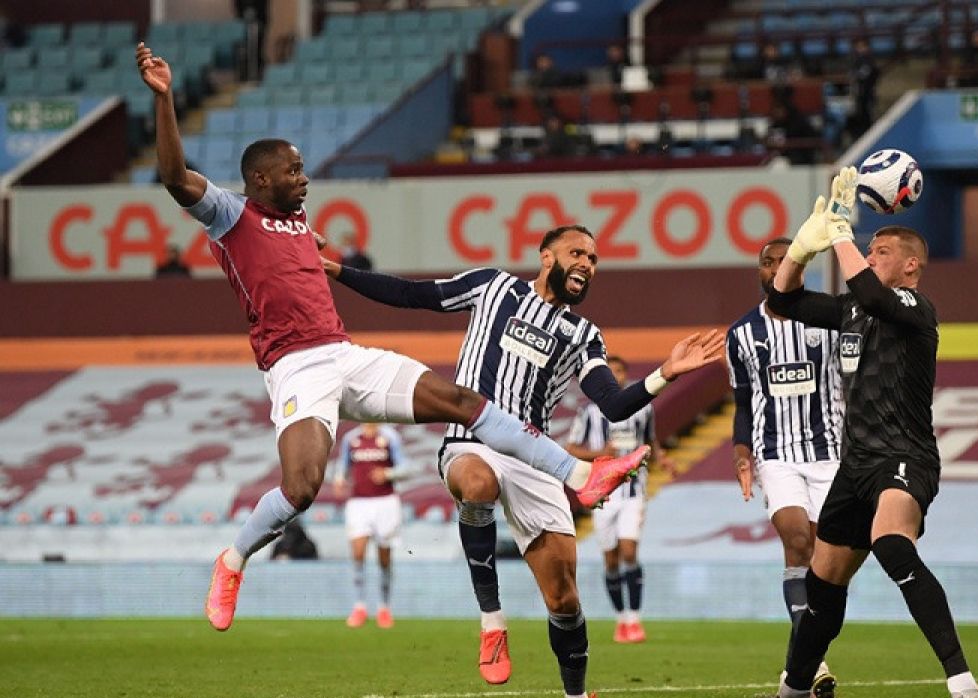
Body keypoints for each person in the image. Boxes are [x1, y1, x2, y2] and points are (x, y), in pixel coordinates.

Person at [136, 42, 649, 633]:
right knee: (301, 489)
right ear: (260, 179)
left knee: (463, 401)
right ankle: (232, 560)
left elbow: (296, 246)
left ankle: (583, 474)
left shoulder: (296, 219)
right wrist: (167, 99)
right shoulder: (231, 214)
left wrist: (313, 248)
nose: (305, 179)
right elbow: (175, 178)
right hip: (296, 367)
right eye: (294, 171)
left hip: (344, 353)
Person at [323, 225, 725, 698]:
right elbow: (411, 294)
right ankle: (492, 621)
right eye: (577, 252)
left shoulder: (583, 334)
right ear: (545, 256)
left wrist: (667, 371)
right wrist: (338, 271)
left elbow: (616, 405)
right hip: (472, 439)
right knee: (476, 485)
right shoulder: (494, 287)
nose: (587, 263)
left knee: (564, 597)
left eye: (595, 259)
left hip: (534, 457)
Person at [735, 169, 978, 698]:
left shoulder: (914, 308)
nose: (870, 258)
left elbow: (872, 292)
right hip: (855, 465)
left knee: (892, 543)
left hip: (906, 456)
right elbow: (779, 298)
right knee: (823, 586)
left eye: (882, 251)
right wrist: (802, 247)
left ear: (910, 266)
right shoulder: (852, 310)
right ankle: (795, 693)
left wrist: (842, 234)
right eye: (868, 250)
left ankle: (964, 688)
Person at [726, 237, 843, 698]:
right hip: (775, 454)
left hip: (831, 454)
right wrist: (741, 456)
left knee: (824, 564)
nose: (776, 267)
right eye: (768, 262)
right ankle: (813, 664)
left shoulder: (830, 323)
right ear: (759, 272)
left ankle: (802, 661)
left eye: (785, 260)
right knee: (796, 542)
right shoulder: (742, 334)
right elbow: (741, 404)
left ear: (801, 268)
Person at [565, 355, 677, 644]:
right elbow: (572, 447)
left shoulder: (643, 410)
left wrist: (662, 460)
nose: (617, 377)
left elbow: (651, 441)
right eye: (611, 372)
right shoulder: (589, 413)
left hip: (633, 491)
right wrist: (600, 452)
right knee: (611, 560)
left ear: (626, 376)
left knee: (629, 552)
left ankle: (634, 618)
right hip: (603, 494)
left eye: (620, 372)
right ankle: (620, 619)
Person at [332, 422, 410, 628]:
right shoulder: (351, 438)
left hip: (386, 502)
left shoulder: (390, 437)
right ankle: (360, 606)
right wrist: (339, 479)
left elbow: (405, 467)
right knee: (358, 552)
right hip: (359, 502)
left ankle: (384, 608)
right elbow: (342, 465)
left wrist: (388, 474)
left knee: (384, 556)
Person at [847, 38, 879, 139]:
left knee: (867, 112)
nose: (859, 49)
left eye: (862, 47)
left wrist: (856, 76)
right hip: (860, 91)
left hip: (867, 91)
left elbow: (865, 74)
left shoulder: (869, 60)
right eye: (858, 47)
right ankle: (860, 132)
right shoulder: (856, 59)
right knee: (859, 111)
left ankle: (868, 132)